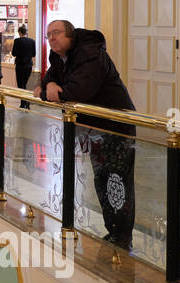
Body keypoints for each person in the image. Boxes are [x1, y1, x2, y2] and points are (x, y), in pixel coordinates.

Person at [40, 20, 138, 251]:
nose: (52, 38)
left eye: (56, 33)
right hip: (94, 129)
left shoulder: (90, 54)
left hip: (115, 127)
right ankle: (113, 232)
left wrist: (48, 91)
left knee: (117, 182)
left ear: (71, 36)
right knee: (102, 179)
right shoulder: (60, 57)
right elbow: (48, 80)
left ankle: (122, 238)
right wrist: (50, 85)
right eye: (48, 34)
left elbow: (77, 92)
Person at [12, 24, 37, 110]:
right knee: (24, 84)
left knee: (20, 84)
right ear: (26, 32)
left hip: (20, 65)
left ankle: (23, 103)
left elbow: (13, 53)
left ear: (19, 32)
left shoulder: (17, 41)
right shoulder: (32, 41)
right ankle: (26, 102)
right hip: (29, 65)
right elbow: (34, 54)